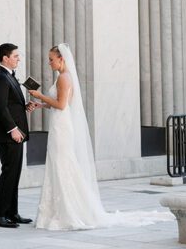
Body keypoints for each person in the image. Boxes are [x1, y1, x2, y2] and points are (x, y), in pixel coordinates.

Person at [28, 43, 163, 231]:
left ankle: (68, 211)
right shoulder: (63, 77)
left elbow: (60, 105)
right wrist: (40, 105)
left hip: (61, 127)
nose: (48, 63)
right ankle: (57, 210)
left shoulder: (64, 78)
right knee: (58, 164)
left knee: (62, 164)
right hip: (59, 123)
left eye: (51, 59)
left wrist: (40, 95)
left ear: (61, 59)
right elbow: (61, 104)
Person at [0, 43, 36, 228]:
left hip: (17, 134)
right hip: (9, 135)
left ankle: (12, 213)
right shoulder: (0, 78)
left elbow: (10, 105)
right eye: (16, 56)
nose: (18, 59)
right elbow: (1, 109)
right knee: (8, 173)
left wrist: (25, 107)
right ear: (5, 58)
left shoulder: (10, 77)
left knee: (15, 174)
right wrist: (13, 129)